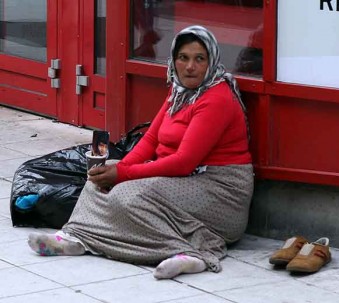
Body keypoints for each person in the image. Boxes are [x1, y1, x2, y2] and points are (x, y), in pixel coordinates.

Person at [28, 25, 254, 280]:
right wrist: (117, 170)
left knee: (130, 196)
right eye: (183, 58)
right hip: (182, 177)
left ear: (211, 61)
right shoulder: (180, 92)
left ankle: (191, 253)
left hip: (219, 189)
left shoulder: (216, 97)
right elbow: (150, 140)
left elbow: (183, 162)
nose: (190, 66)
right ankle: (78, 236)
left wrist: (123, 175)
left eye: (199, 59)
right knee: (99, 176)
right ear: (174, 60)